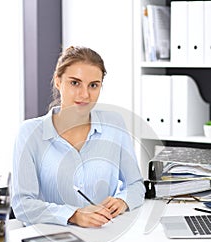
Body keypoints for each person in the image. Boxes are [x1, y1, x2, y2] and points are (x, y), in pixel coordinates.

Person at [12, 46, 145, 227]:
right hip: (51, 238)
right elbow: (22, 205)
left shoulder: (114, 124)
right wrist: (73, 215)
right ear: (58, 82)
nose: (85, 95)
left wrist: (123, 201)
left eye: (93, 85)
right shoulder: (29, 133)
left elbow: (136, 185)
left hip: (104, 233)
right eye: (75, 83)